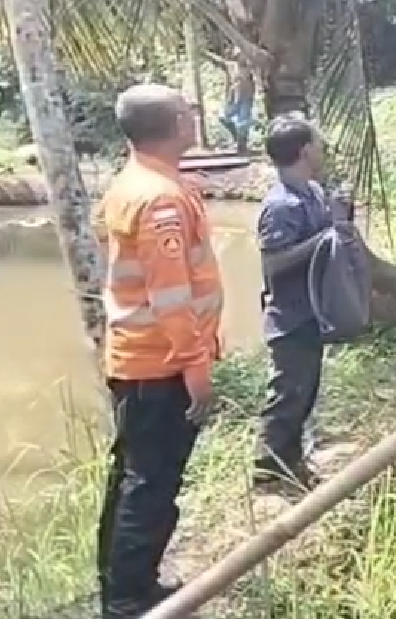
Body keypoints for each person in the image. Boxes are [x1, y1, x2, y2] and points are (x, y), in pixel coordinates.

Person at [97, 83, 223, 619]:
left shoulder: (137, 184)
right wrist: (197, 367)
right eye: (187, 111)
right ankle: (129, 599)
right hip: (160, 366)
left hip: (137, 360)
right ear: (174, 122)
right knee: (151, 484)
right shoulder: (160, 199)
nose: (193, 119)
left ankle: (122, 584)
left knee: (132, 477)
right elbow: (171, 298)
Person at [254, 114, 347, 491]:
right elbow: (274, 263)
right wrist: (325, 236)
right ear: (305, 150)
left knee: (305, 393)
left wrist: (341, 218)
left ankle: (291, 467)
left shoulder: (313, 193)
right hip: (289, 319)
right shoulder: (280, 206)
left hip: (312, 313)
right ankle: (266, 471)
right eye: (319, 144)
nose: (323, 150)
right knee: (288, 396)